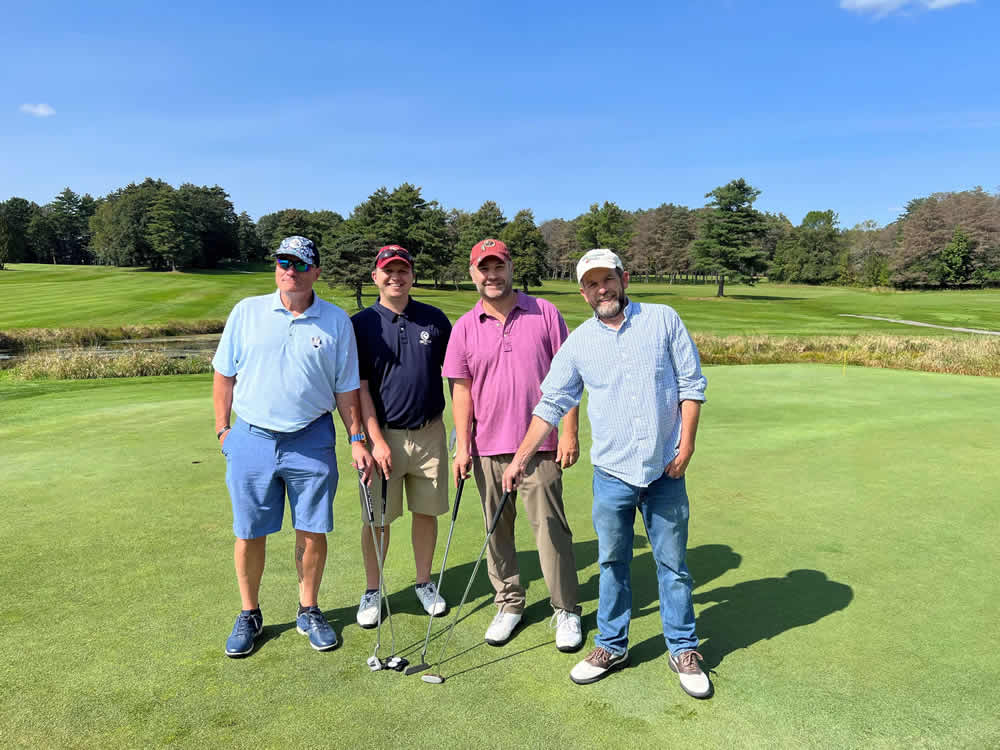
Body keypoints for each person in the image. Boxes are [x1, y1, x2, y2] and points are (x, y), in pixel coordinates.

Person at [501, 248, 712, 698]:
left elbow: (692, 384)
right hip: (612, 474)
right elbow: (551, 403)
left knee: (673, 567)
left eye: (608, 279)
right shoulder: (578, 342)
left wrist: (687, 443)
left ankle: (683, 647)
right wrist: (520, 458)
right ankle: (612, 645)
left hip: (665, 471)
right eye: (592, 283)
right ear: (583, 292)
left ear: (624, 278)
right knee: (613, 562)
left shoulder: (663, 319)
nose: (602, 289)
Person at [213, 235, 373, 658]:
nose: (290, 270)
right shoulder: (246, 312)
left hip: (312, 438)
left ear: (316, 272)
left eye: (300, 264)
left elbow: (345, 389)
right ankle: (249, 613)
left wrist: (356, 438)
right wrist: (222, 430)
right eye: (284, 262)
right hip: (252, 437)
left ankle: (309, 608)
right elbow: (224, 375)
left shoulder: (336, 321)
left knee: (312, 529)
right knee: (250, 532)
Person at [442, 238, 583, 652]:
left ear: (510, 267)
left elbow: (569, 376)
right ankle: (509, 603)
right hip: (487, 448)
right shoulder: (465, 326)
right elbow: (462, 390)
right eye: (483, 269)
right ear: (473, 273)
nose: (491, 275)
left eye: (498, 266)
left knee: (551, 531)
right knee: (496, 532)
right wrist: (463, 446)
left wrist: (570, 431)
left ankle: (566, 609)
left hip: (539, 445)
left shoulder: (545, 312)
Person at [350, 244, 453, 627]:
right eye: (388, 271)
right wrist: (372, 440)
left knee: (426, 513)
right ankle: (373, 590)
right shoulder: (360, 324)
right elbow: (359, 389)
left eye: (403, 270)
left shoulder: (434, 319)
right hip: (384, 437)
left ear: (412, 275)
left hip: (430, 432)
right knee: (377, 518)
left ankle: (424, 583)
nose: (396, 277)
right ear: (375, 276)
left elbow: (458, 374)